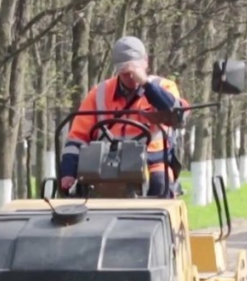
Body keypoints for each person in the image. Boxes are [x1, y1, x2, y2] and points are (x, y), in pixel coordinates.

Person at [59, 36, 189, 197]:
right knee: (84, 194)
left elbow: (176, 113)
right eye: (125, 73)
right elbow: (77, 137)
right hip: (105, 164)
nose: (131, 78)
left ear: (145, 62)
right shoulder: (99, 93)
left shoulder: (164, 87)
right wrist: (68, 172)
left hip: (153, 162)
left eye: (134, 71)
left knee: (161, 184)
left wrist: (146, 85)